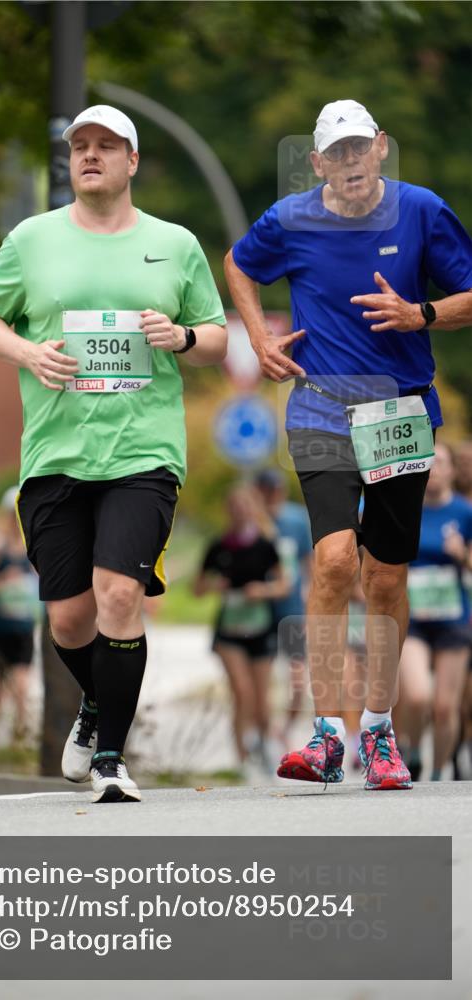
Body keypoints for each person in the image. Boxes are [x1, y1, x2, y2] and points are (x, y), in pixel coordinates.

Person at [0, 105, 227, 802]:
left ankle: (111, 757)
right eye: (79, 146)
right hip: (54, 453)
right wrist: (27, 351)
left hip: (143, 452)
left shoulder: (173, 244)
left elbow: (216, 336)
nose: (89, 155)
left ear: (131, 160)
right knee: (69, 617)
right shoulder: (32, 239)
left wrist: (180, 338)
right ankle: (96, 706)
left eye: (105, 145)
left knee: (118, 595)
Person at [225, 98, 472, 790]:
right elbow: (239, 263)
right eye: (336, 153)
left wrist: (418, 312)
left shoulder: (422, 210)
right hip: (322, 410)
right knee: (334, 559)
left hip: (399, 412)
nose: (350, 162)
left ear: (381, 148)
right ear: (316, 164)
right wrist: (259, 338)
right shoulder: (290, 220)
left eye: (359, 148)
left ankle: (379, 729)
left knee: (384, 577)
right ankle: (327, 735)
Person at [193, 484, 288, 777]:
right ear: (229, 511)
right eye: (235, 507)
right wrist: (213, 585)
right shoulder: (218, 546)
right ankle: (242, 758)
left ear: (253, 509)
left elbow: (285, 585)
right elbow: (196, 588)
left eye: (246, 506)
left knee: (261, 700)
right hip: (229, 631)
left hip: (260, 628)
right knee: (242, 692)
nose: (240, 512)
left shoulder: (265, 545)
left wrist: (263, 590)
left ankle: (261, 744)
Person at [397, 443, 472, 781]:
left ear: (452, 471)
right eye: (428, 461)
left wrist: (461, 555)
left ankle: (439, 773)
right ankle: (411, 751)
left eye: (441, 462)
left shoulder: (464, 512)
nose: (434, 468)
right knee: (416, 696)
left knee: (445, 707)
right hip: (413, 616)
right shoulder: (406, 507)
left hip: (453, 619)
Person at [0, 489, 40, 747]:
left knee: (23, 688)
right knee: (0, 693)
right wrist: (3, 581)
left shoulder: (32, 548)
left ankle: (19, 740)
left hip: (23, 628)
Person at [254, 468, 311, 746]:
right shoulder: (251, 521)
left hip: (292, 609)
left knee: (298, 676)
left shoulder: (297, 520)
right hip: (260, 610)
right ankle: (264, 734)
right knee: (261, 679)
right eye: (265, 491)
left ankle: (286, 728)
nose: (271, 496)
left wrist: (311, 600)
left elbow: (309, 562)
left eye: (274, 490)